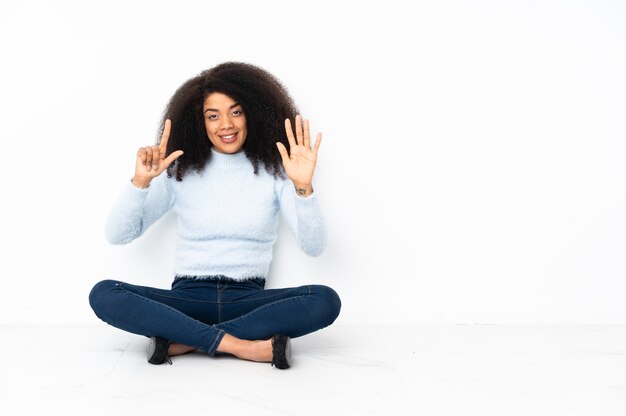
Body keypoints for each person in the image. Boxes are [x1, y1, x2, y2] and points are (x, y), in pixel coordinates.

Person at [89, 62, 341, 369]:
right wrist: (140, 182)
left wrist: (303, 187)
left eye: (236, 112)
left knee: (325, 300)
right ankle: (241, 347)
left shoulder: (276, 172)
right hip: (187, 299)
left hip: (247, 301)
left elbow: (314, 246)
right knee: (104, 294)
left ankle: (183, 341)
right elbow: (117, 235)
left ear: (253, 112)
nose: (226, 124)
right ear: (199, 121)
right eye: (213, 115)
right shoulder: (180, 171)